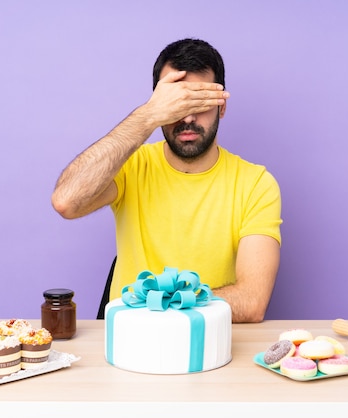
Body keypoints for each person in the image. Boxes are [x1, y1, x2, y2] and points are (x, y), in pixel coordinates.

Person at [51, 38, 282, 323]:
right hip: (130, 339)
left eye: (200, 101)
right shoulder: (131, 164)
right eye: (176, 104)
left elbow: (252, 301)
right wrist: (148, 115)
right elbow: (66, 202)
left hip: (208, 342)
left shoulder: (255, 183)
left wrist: (163, 306)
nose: (187, 116)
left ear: (222, 107)